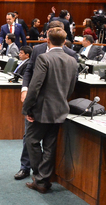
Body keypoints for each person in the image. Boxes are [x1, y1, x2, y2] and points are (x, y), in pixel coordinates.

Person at [22, 28, 77, 193]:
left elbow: (35, 86)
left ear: (47, 40)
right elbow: (71, 87)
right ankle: (43, 181)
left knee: (31, 141)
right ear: (64, 42)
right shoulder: (72, 60)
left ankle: (39, 177)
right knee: (49, 146)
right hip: (60, 108)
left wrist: (27, 108)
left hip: (42, 109)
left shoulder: (44, 58)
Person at [12, 45, 33, 180]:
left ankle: (44, 173)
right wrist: (24, 89)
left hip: (55, 105)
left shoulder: (69, 55)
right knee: (28, 137)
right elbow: (28, 74)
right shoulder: (39, 51)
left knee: (50, 142)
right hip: (34, 101)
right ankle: (25, 168)